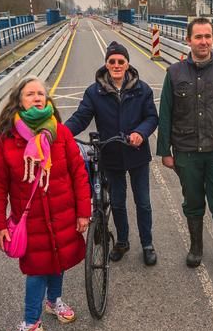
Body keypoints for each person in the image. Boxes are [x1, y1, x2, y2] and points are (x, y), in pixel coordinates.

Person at [0, 76, 91, 331]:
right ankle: (31, 322)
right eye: (30, 93)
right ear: (19, 100)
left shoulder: (60, 132)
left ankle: (54, 300)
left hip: (62, 212)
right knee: (36, 269)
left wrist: (83, 211)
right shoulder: (5, 140)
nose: (37, 97)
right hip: (30, 218)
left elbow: (79, 173)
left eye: (41, 94)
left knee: (58, 259)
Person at [157, 17, 213, 271]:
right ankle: (196, 247)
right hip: (187, 153)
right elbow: (166, 113)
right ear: (189, 40)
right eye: (198, 37)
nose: (204, 41)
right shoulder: (174, 74)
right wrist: (164, 151)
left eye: (208, 36)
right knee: (193, 202)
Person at [66, 41, 159, 266]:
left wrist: (140, 133)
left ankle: (147, 243)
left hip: (136, 154)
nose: (116, 65)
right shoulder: (94, 92)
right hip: (111, 154)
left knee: (143, 202)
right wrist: (60, 133)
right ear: (106, 64)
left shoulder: (142, 89)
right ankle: (123, 242)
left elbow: (152, 118)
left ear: (127, 64)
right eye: (112, 61)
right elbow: (81, 118)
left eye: (121, 61)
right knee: (117, 202)